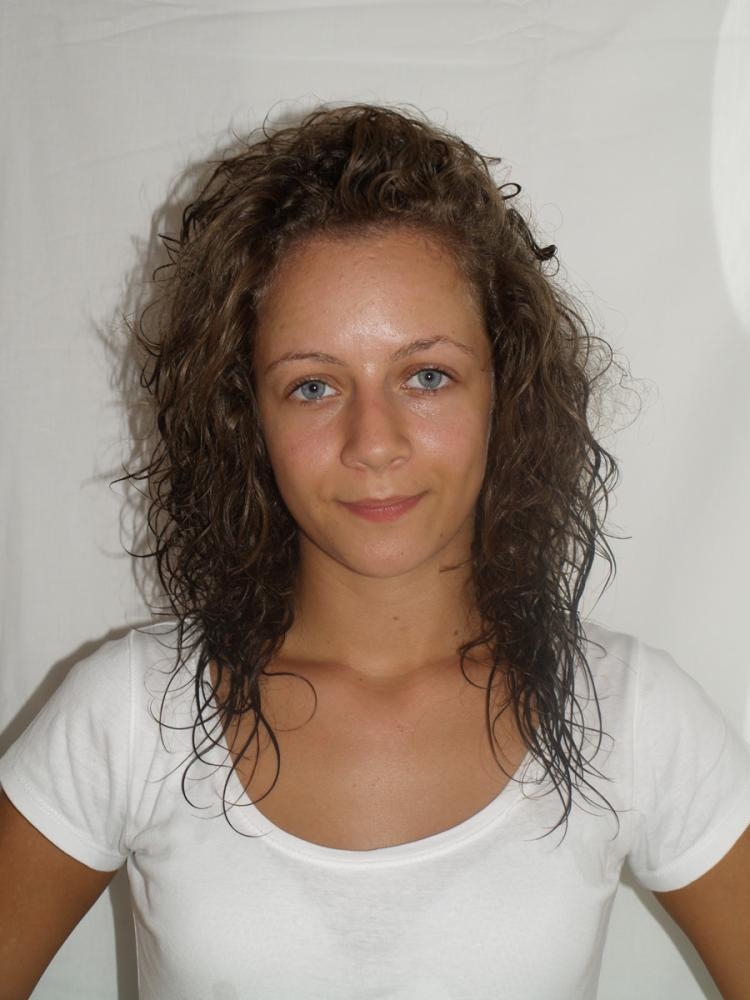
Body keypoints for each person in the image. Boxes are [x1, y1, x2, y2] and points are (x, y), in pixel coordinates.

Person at [0, 103, 748, 1000]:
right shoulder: (128, 715)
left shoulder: (631, 716)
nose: (374, 442)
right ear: (247, 416)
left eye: (426, 376)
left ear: (504, 389)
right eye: (313, 386)